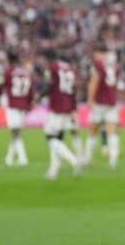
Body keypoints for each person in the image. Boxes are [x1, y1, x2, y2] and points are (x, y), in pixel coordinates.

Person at [43, 51, 81, 180]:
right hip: (68, 106)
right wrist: (73, 108)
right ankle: (53, 170)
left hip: (57, 106)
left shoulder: (52, 67)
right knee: (58, 138)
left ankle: (74, 160)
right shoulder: (70, 69)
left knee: (50, 137)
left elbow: (48, 84)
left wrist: (38, 97)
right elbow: (74, 89)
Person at [85, 48, 121, 169]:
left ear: (98, 53)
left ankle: (88, 157)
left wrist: (90, 99)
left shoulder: (97, 65)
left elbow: (94, 82)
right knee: (112, 131)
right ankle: (113, 160)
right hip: (111, 102)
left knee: (93, 131)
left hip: (99, 102)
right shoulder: (114, 66)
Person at [0, 53, 35, 167]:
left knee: (15, 133)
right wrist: (30, 102)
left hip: (13, 105)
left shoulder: (9, 72)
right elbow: (31, 89)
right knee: (16, 132)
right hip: (23, 105)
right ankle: (8, 158)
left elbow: (2, 86)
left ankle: (22, 158)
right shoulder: (26, 73)